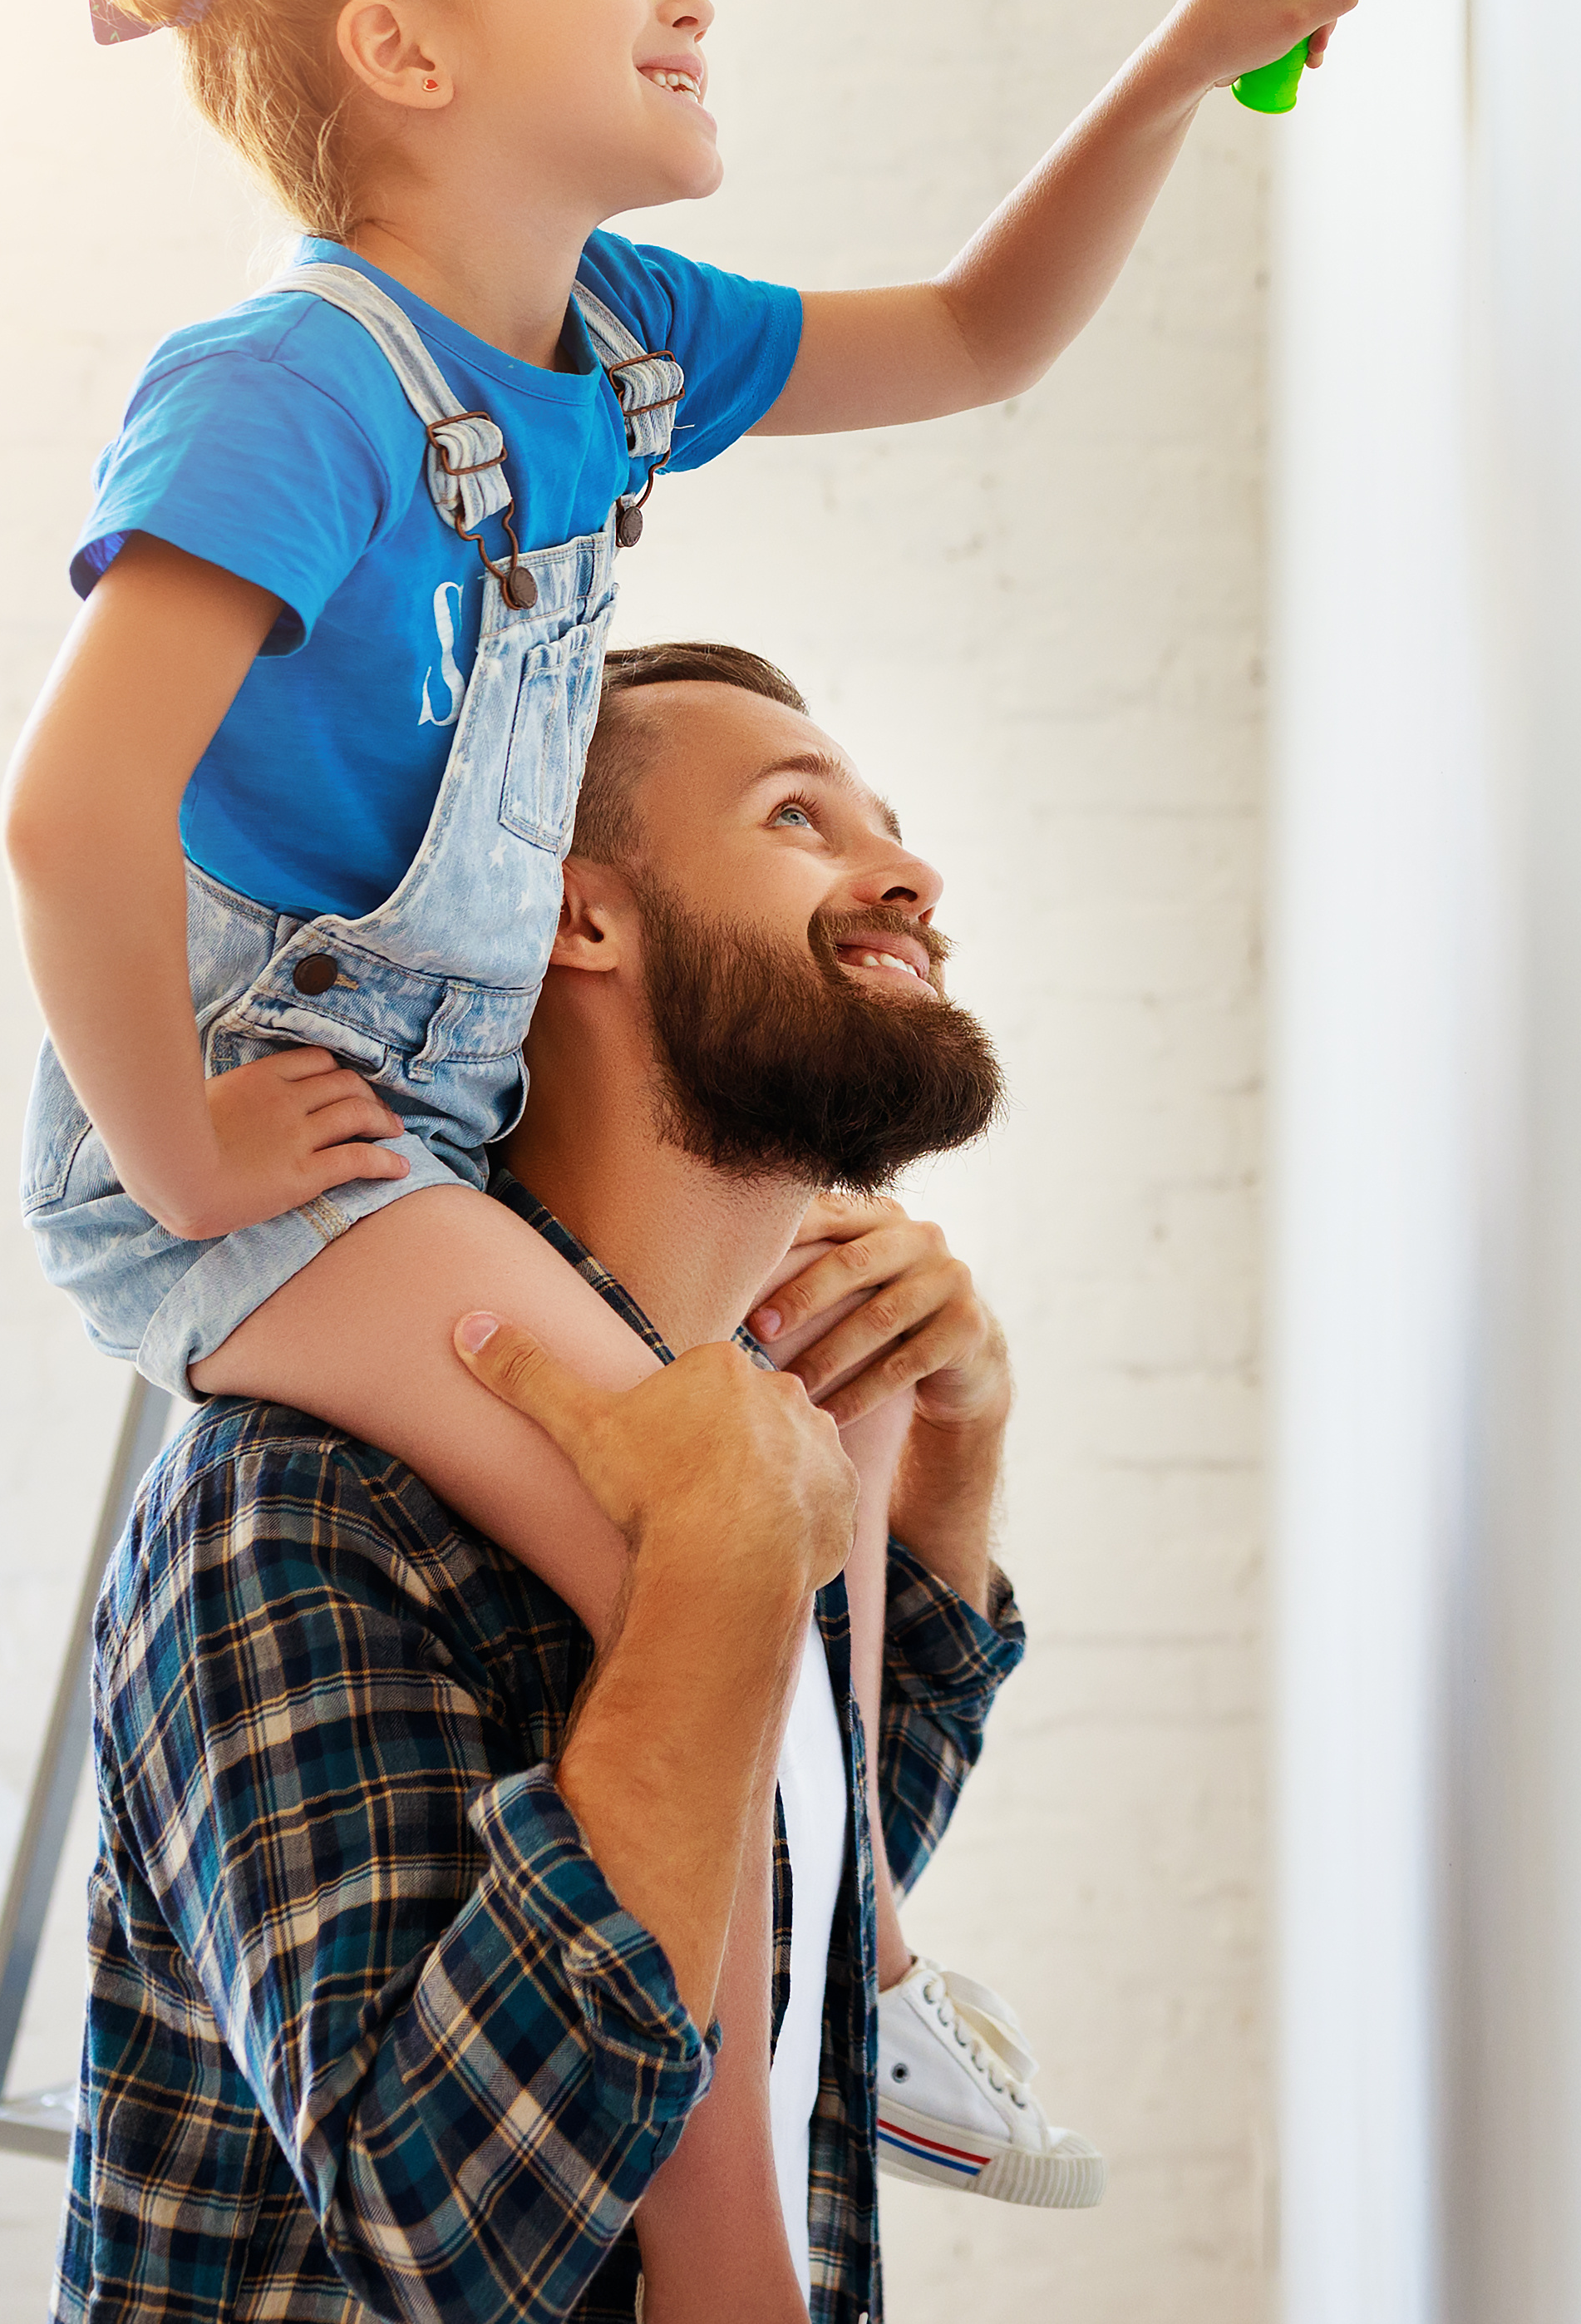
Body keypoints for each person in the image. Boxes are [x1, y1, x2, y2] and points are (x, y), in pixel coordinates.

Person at [7, 0, 1334, 2292]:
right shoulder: (290, 382)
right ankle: (843, 2092)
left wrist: (1185, 53)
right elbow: (67, 811)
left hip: (418, 1119)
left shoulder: (611, 346)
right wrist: (181, 1151)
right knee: (687, 1547)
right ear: (399, 47)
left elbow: (974, 332)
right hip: (277, 1150)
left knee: (788, 1457)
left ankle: (873, 1994)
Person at [66, 644, 1086, 2324]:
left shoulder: (749, 1444)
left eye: (886, 826)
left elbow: (791, 1897)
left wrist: (947, 1463)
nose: (907, 873)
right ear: (575, 913)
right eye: (798, 819)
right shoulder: (303, 1498)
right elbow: (446, 2243)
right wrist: (709, 1575)